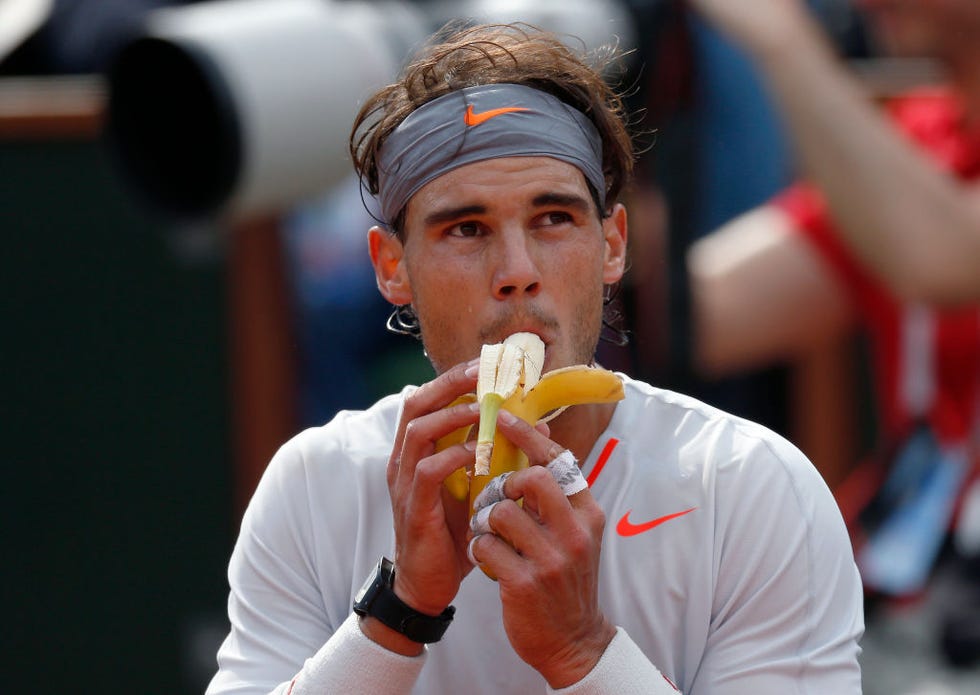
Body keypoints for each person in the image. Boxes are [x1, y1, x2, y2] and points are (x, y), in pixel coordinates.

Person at [205, 22, 863, 694]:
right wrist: (399, 609)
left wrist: (582, 651)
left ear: (613, 244)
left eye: (554, 219)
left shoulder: (751, 485)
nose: (517, 271)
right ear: (392, 265)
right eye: (466, 228)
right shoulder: (314, 485)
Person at [683, 0, 980, 655]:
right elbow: (703, 314)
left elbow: (945, 259)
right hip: (907, 590)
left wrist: (785, 41)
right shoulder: (921, 139)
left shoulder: (912, 200)